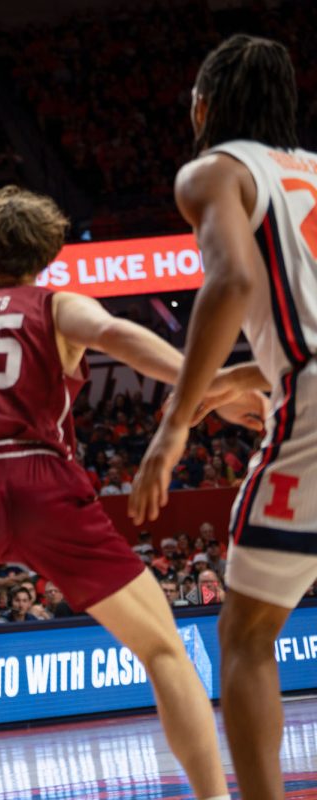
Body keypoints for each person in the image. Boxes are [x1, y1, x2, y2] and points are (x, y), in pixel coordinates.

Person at [0, 186, 253, 800]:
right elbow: (120, 336)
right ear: (48, 254)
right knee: (166, 652)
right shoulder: (56, 305)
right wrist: (209, 382)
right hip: (44, 481)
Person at [127, 34, 317, 800]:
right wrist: (235, 380)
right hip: (301, 378)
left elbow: (233, 279)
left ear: (203, 105)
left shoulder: (215, 171)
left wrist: (174, 427)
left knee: (244, 636)